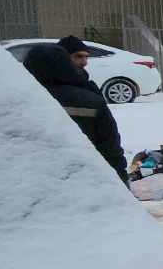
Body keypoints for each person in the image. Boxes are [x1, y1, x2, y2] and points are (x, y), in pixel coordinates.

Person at [23, 42, 125, 177]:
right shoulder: (90, 99)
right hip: (81, 174)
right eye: (78, 57)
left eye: (86, 57)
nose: (84, 62)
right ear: (66, 64)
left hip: (30, 176)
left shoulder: (19, 99)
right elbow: (109, 146)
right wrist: (119, 177)